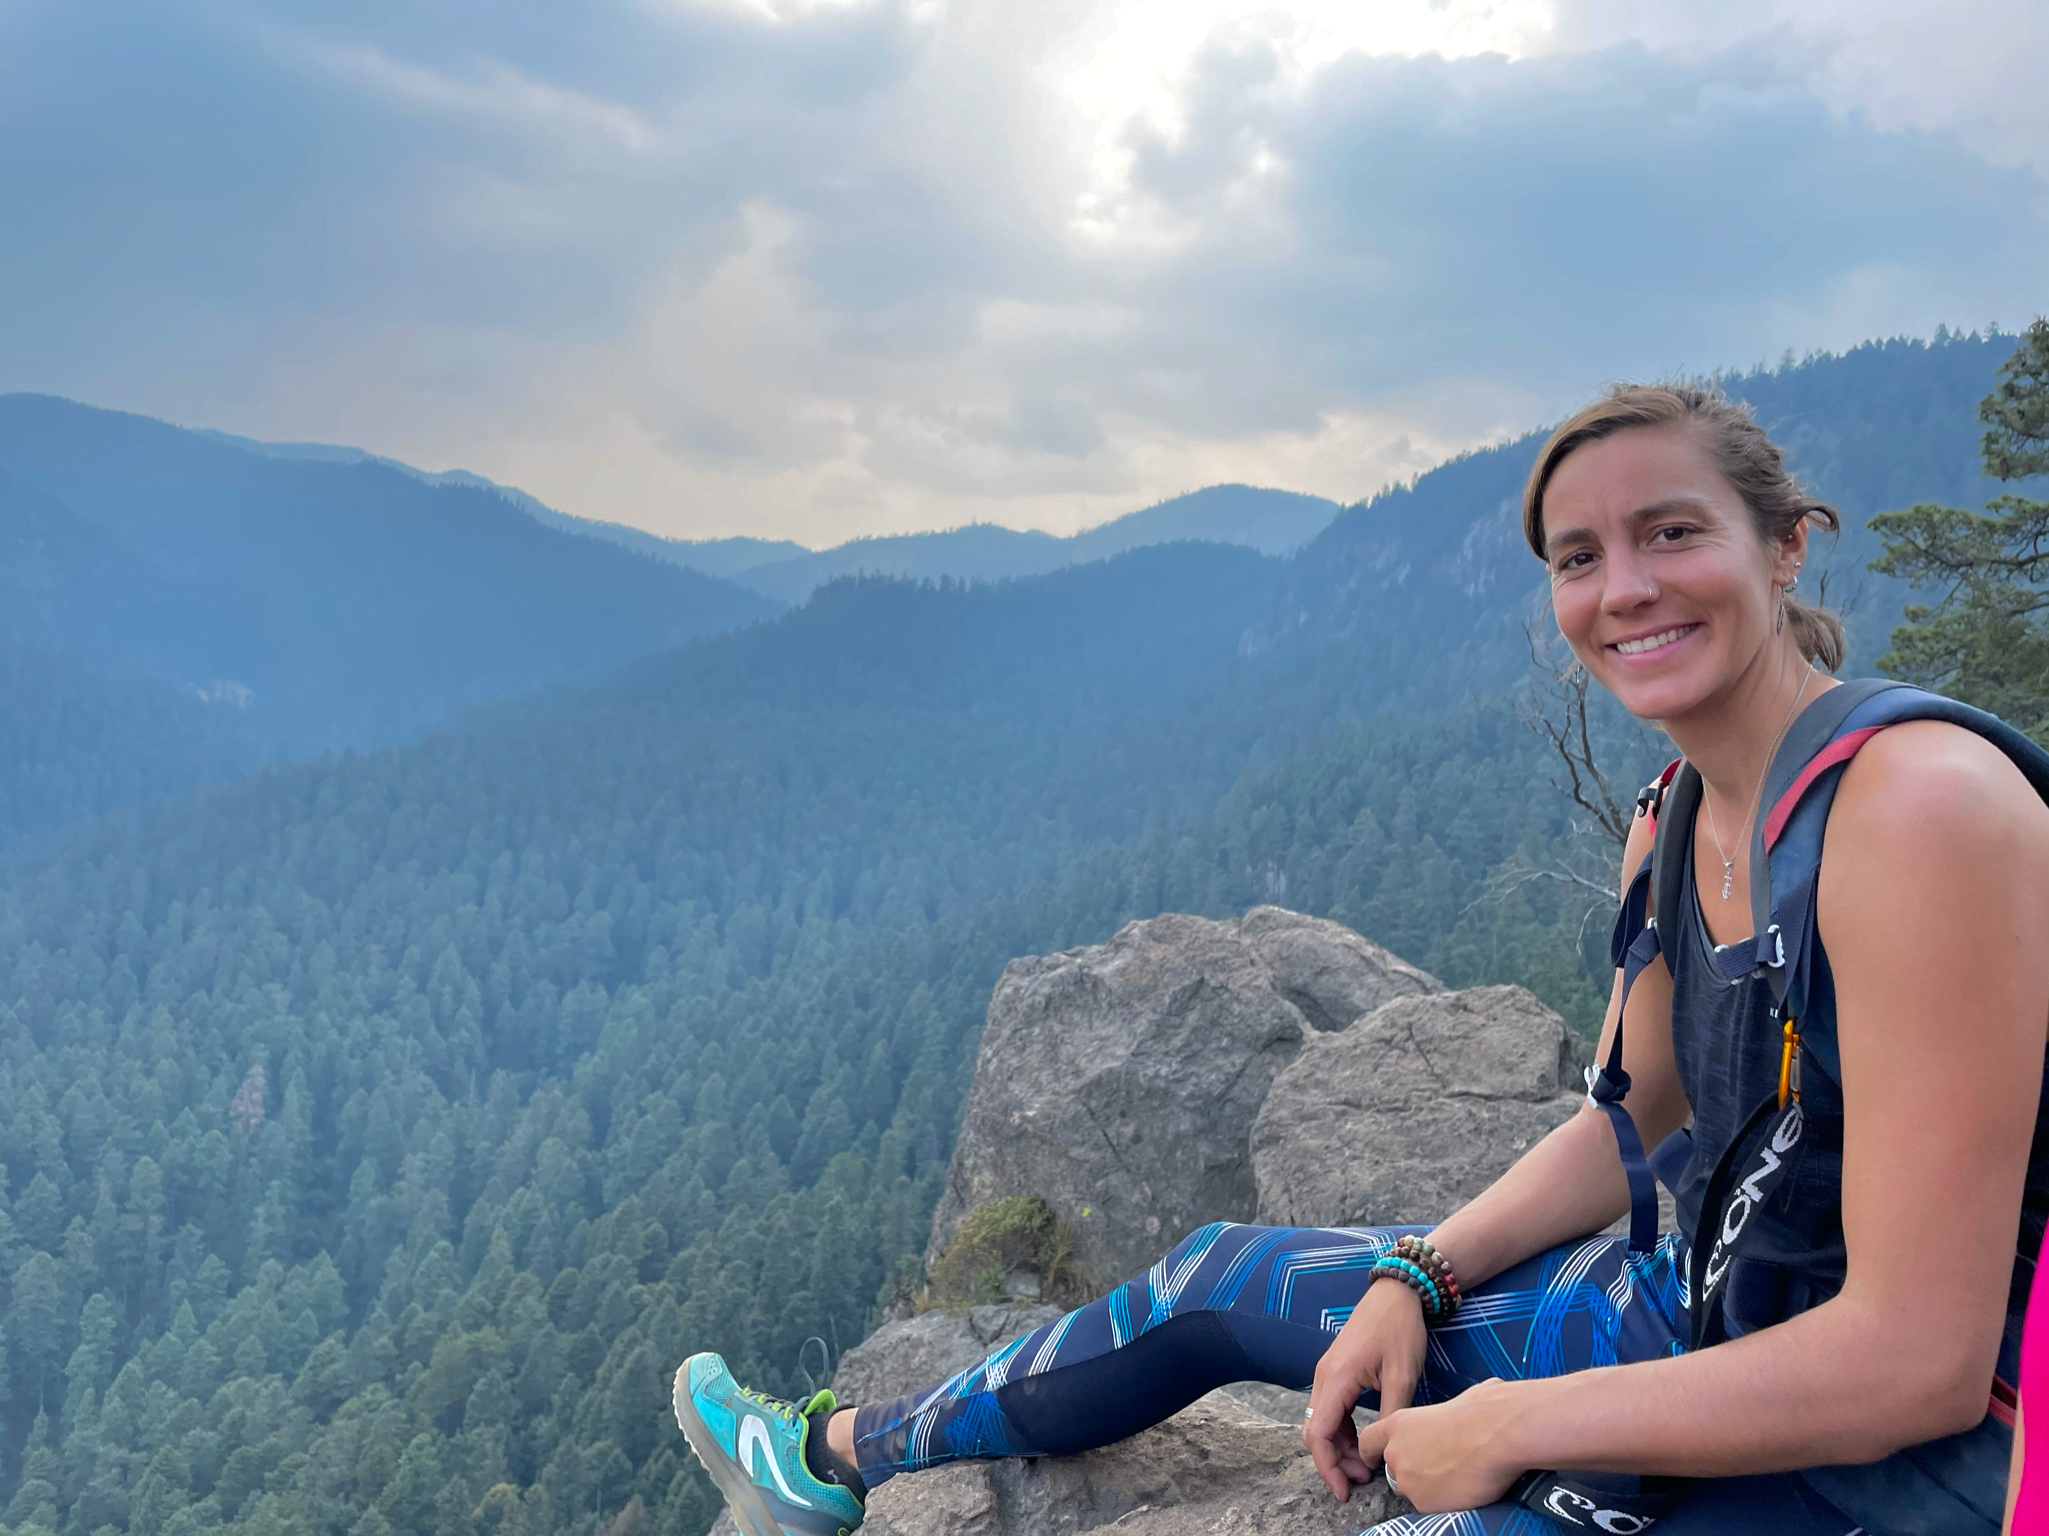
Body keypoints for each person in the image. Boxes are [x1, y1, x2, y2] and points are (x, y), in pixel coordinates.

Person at [670, 383, 2049, 1536]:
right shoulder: (1674, 821)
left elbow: (1917, 1364)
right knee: (1217, 1278)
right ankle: (836, 1453)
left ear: (1786, 546)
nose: (1624, 588)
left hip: (1883, 1468)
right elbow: (1631, 1120)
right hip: (1696, 1312)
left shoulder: (1918, 815)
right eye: (1580, 557)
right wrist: (1418, 1277)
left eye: (1671, 533)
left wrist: (1514, 1426)